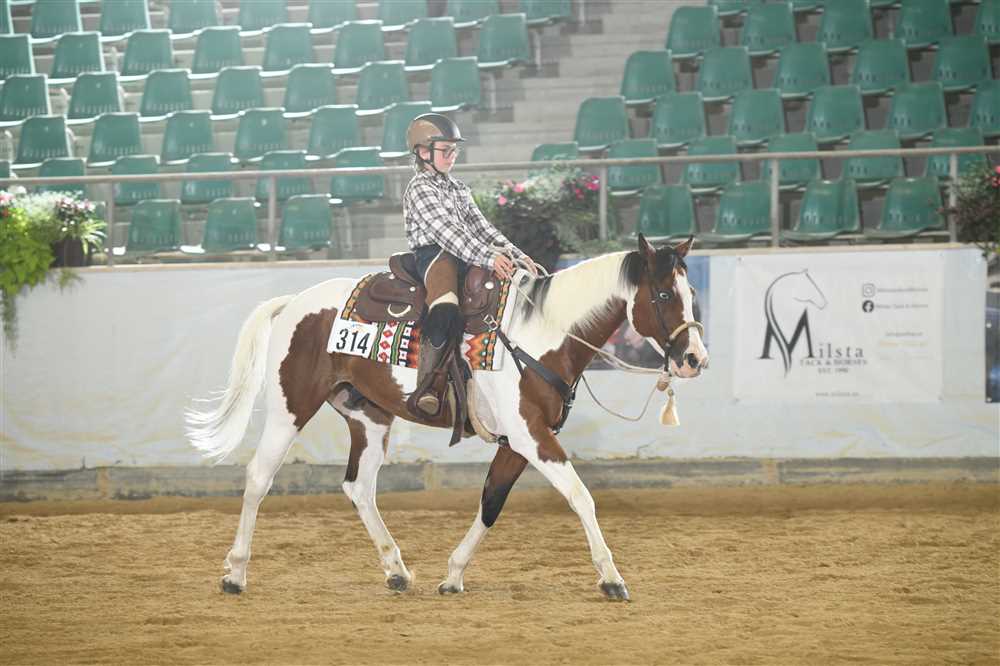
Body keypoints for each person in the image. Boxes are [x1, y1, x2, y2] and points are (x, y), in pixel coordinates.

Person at [403, 113, 538, 414]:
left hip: (466, 252)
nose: (452, 156)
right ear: (423, 153)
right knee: (446, 304)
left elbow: (483, 229)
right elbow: (447, 233)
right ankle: (429, 386)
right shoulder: (420, 188)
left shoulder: (458, 188)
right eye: (445, 150)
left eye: (454, 150)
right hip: (435, 255)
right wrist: (489, 257)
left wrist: (516, 254)